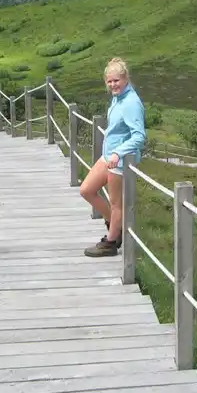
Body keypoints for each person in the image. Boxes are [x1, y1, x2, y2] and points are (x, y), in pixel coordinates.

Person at [80, 57, 146, 257]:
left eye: (116, 80)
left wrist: (119, 152)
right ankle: (117, 227)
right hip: (109, 155)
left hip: (120, 160)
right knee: (86, 190)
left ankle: (111, 242)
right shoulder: (118, 99)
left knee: (117, 204)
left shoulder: (131, 102)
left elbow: (139, 136)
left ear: (125, 78)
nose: (113, 85)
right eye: (109, 81)